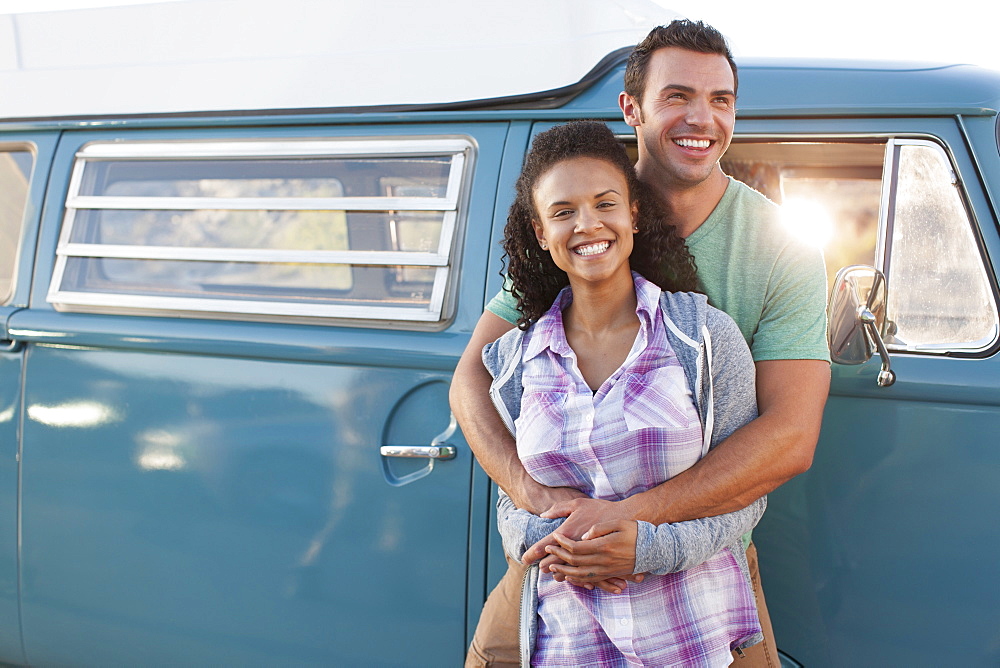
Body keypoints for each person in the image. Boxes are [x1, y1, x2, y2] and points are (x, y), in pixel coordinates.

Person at [453, 19, 831, 668]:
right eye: (677, 96)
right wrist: (533, 494)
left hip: (703, 563)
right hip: (561, 561)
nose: (702, 118)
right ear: (632, 108)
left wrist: (635, 529)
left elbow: (789, 438)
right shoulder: (580, 217)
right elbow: (472, 381)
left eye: (721, 100)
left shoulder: (777, 247)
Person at [488, 119, 763, 666]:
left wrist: (645, 548)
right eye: (563, 212)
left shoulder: (702, 338)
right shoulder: (514, 359)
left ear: (633, 213)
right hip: (568, 643)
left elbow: (746, 494)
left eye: (604, 203)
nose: (588, 224)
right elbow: (510, 500)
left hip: (689, 638)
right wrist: (547, 544)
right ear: (542, 234)